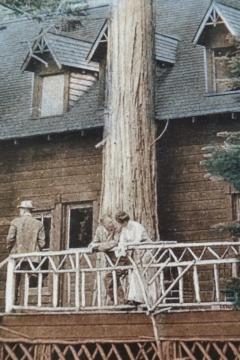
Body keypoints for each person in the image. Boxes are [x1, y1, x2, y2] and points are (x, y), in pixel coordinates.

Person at [6, 200, 46, 303]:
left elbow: (10, 239)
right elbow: (42, 243)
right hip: (32, 258)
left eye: (20, 209)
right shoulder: (38, 224)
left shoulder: (15, 222)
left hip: (16, 257)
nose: (19, 211)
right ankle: (23, 305)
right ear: (30, 210)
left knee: (14, 280)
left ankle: (13, 304)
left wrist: (10, 250)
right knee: (26, 282)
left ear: (23, 210)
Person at [115, 211, 151, 306]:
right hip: (136, 253)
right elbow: (122, 241)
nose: (123, 224)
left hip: (146, 251)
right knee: (134, 273)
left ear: (127, 220)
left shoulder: (136, 226)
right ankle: (135, 298)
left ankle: (143, 298)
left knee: (140, 273)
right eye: (121, 223)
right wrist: (121, 248)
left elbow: (137, 241)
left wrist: (126, 245)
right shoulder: (124, 229)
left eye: (124, 222)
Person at [89, 215, 127, 304]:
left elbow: (114, 243)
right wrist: (91, 246)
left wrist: (99, 248)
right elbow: (95, 242)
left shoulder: (118, 228)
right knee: (110, 278)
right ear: (103, 224)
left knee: (109, 277)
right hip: (112, 261)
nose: (111, 224)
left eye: (112, 221)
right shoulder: (100, 230)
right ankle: (119, 301)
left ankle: (120, 301)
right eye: (109, 223)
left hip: (123, 259)